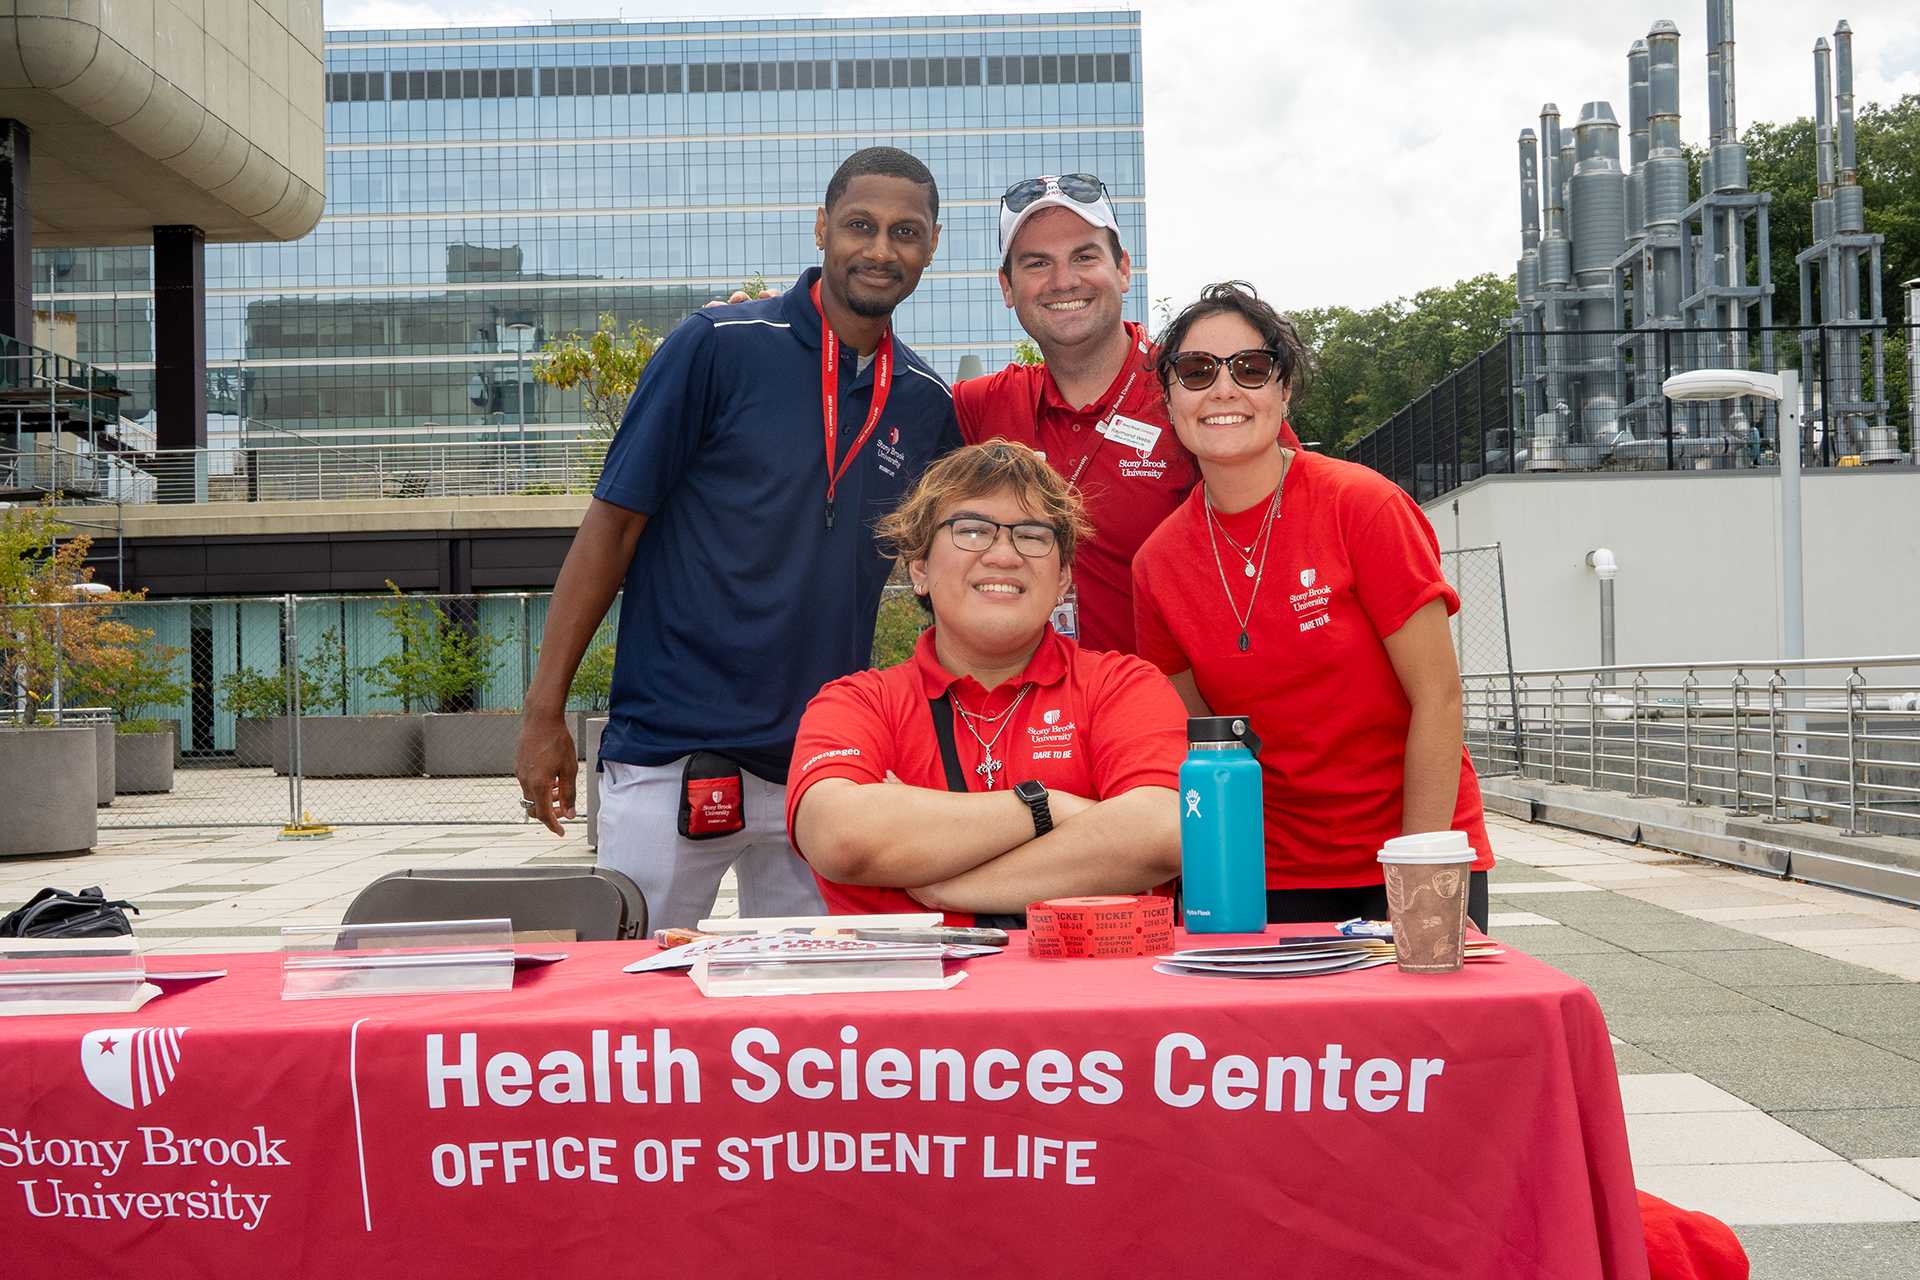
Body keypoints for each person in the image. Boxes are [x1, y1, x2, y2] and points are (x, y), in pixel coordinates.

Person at [514, 147, 963, 930]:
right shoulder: (718, 344)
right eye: (860, 224)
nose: (881, 249)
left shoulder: (925, 403)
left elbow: (945, 580)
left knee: (805, 1020)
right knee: (634, 1002)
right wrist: (543, 712)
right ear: (822, 227)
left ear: (931, 248)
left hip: (823, 766)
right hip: (670, 753)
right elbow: (613, 527)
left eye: (907, 232)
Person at [1131, 281, 1493, 928]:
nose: (1223, 390)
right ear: (1169, 397)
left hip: (1408, 850)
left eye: (1250, 368)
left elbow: (1438, 698)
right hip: (1263, 869)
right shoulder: (1157, 565)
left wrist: (1418, 877)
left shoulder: (1364, 507)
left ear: (1284, 388)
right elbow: (1204, 747)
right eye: (1195, 370)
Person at [786, 442, 1185, 925]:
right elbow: (841, 836)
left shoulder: (1123, 687)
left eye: (1032, 535)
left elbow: (1166, 830)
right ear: (920, 570)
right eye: (972, 530)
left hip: (1083, 992)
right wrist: (1048, 807)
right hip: (907, 994)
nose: (1003, 555)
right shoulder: (857, 703)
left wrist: (949, 889)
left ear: (1063, 576)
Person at [952, 172, 1300, 655]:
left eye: (1084, 256)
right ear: (1007, 287)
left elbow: (1296, 541)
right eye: (1037, 263)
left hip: (1178, 711)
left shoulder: (1200, 389)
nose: (1063, 280)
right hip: (1036, 719)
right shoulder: (979, 406)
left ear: (1123, 270)